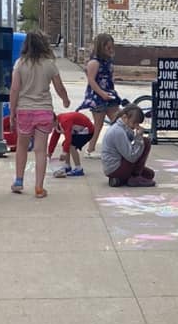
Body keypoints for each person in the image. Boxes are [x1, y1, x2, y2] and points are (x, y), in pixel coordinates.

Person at [9, 30, 70, 198]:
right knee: (40, 150)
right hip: (44, 111)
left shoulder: (20, 63)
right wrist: (65, 99)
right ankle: (39, 187)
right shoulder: (50, 64)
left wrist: (12, 111)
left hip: (24, 110)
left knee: (22, 146)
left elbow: (14, 89)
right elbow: (59, 87)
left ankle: (19, 181)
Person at [78, 33, 122, 156]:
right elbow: (91, 80)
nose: (111, 50)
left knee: (118, 120)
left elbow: (108, 77)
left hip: (110, 93)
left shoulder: (108, 61)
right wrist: (101, 93)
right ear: (101, 47)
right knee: (99, 124)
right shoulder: (94, 62)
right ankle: (90, 149)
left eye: (112, 47)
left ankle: (119, 146)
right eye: (108, 48)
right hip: (97, 95)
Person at [101, 104, 156, 187]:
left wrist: (133, 133)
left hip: (115, 166)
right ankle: (134, 177)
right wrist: (139, 138)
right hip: (115, 168)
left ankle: (120, 179)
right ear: (124, 117)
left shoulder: (122, 127)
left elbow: (129, 142)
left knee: (149, 174)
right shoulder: (118, 131)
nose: (135, 126)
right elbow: (131, 157)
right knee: (146, 142)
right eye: (134, 123)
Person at [48, 110, 94, 177]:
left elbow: (68, 137)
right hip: (79, 131)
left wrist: (64, 153)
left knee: (71, 146)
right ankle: (67, 166)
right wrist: (50, 152)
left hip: (87, 131)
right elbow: (54, 139)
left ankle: (79, 169)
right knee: (65, 144)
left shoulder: (64, 121)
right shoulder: (57, 122)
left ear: (53, 121)